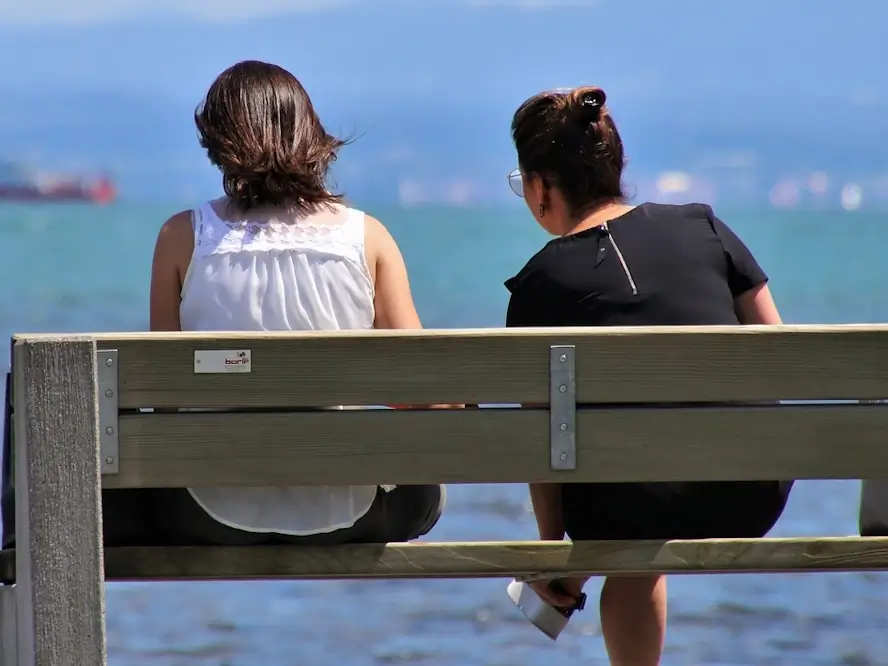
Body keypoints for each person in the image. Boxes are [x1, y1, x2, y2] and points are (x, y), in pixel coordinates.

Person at [503, 86, 793, 664]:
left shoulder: (540, 283)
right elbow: (780, 354)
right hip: (753, 492)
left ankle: (573, 579)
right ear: (616, 166)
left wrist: (554, 548)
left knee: (629, 519)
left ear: (540, 187)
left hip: (632, 506)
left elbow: (540, 441)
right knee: (640, 490)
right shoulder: (706, 227)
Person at [147, 60, 445, 546]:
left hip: (210, 512)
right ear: (310, 133)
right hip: (354, 509)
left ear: (219, 144)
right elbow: (416, 388)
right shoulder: (367, 238)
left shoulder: (182, 236)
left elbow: (164, 399)